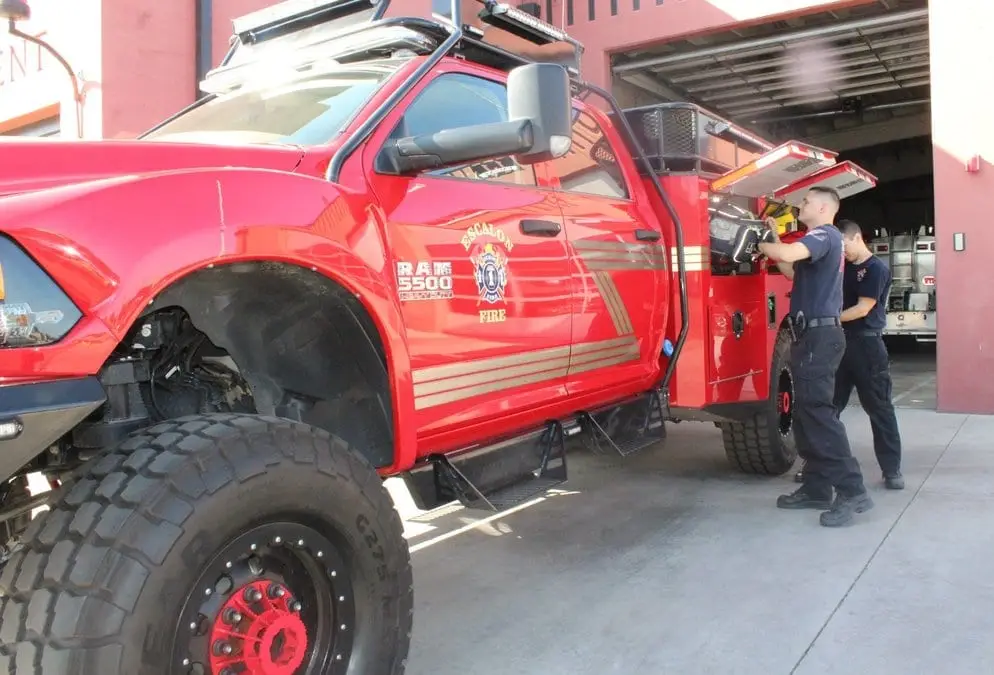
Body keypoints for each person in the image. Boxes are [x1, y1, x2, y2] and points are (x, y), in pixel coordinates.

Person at [757, 187, 873, 527]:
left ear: (823, 207)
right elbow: (792, 269)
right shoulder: (823, 243)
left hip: (819, 337)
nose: (801, 205)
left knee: (819, 415)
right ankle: (817, 486)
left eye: (805, 202)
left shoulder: (823, 233)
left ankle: (852, 491)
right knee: (806, 415)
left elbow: (790, 253)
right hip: (813, 336)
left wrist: (761, 243)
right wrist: (775, 241)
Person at [794, 220, 904, 489]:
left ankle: (892, 470)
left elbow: (863, 308)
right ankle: (817, 469)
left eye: (845, 245)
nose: (842, 252)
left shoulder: (875, 269)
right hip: (838, 344)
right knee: (826, 409)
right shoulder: (839, 267)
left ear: (857, 237)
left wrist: (828, 320)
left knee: (879, 409)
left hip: (867, 347)